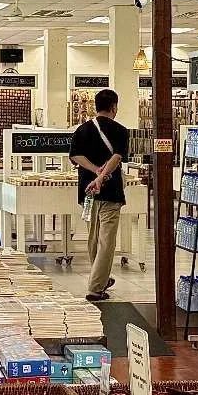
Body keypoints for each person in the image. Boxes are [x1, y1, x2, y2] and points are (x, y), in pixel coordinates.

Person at [69, 87, 130, 302]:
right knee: (106, 241)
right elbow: (117, 157)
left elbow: (75, 156)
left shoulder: (82, 130)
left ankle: (100, 278)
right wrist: (102, 175)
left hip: (88, 191)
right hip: (111, 192)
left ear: (96, 106)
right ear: (114, 107)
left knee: (93, 237)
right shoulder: (121, 131)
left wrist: (95, 172)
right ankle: (95, 288)